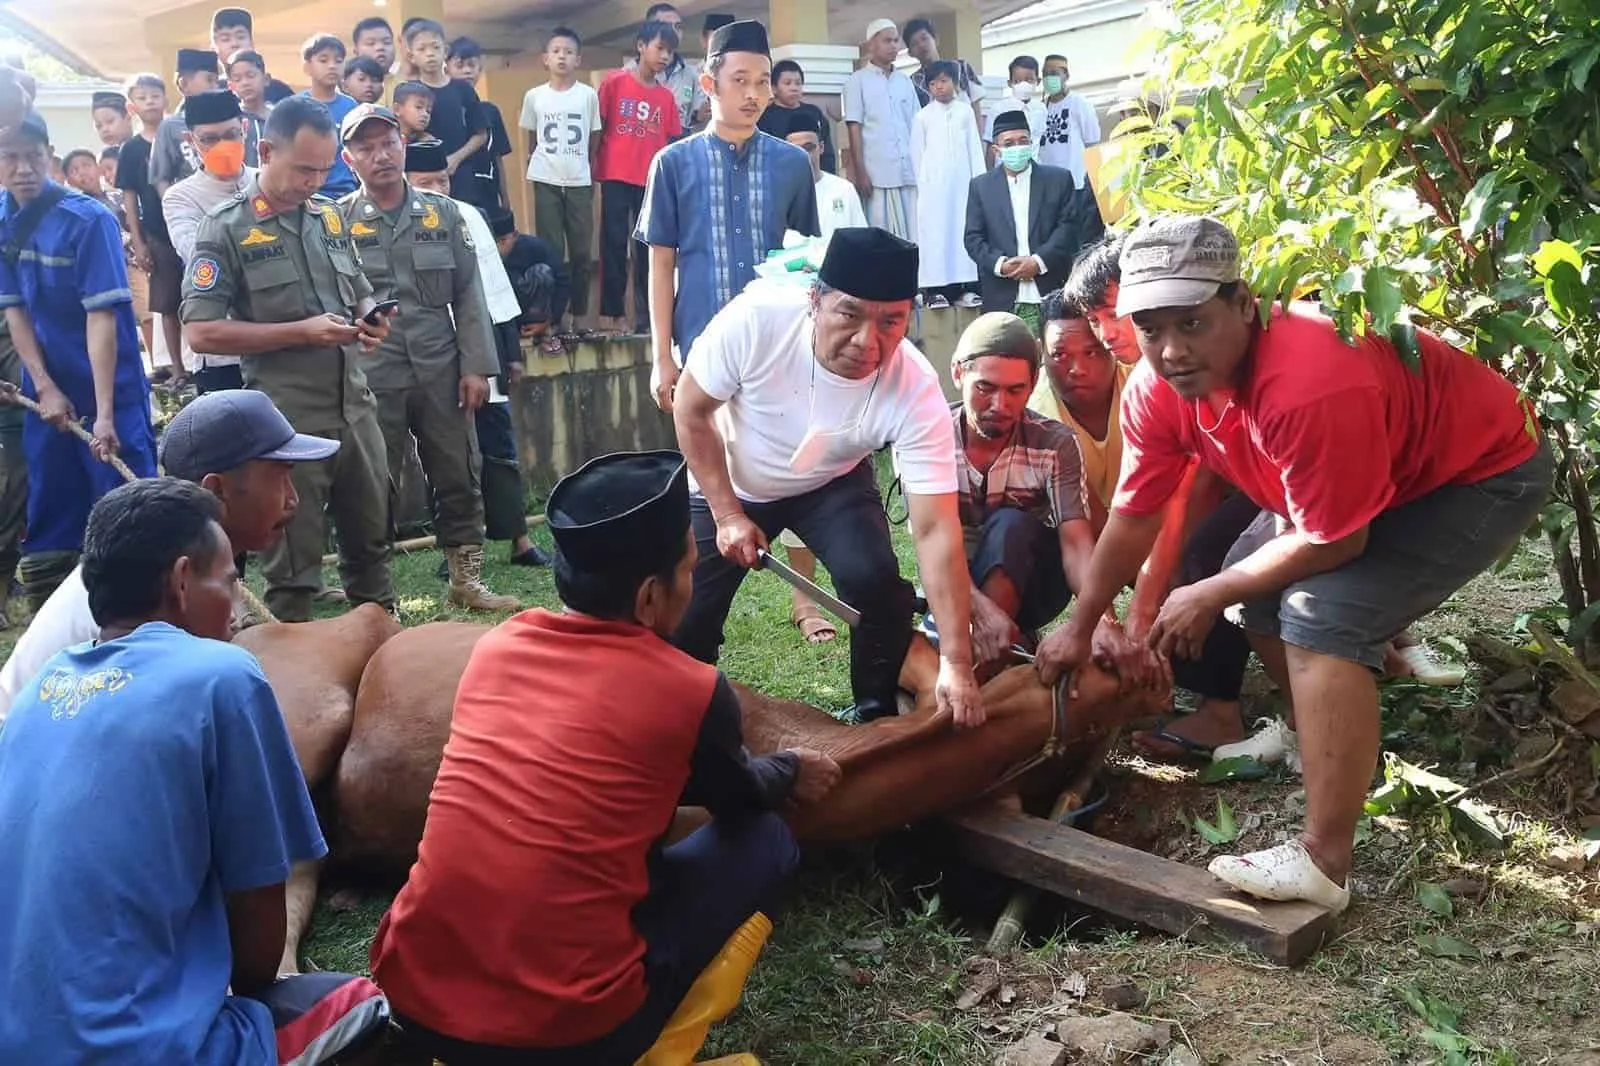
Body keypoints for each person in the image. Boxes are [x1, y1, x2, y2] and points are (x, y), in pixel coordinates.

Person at [1035, 215, 1553, 911]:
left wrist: (1206, 592)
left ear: (1243, 304)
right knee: (1263, 596)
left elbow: (1338, 542)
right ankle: (1327, 746)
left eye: (1192, 324)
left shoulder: (1309, 379)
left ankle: (1324, 862)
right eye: (1151, 329)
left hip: (1480, 471)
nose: (1171, 351)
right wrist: (1081, 621)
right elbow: (1135, 514)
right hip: (1371, 477)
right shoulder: (1157, 390)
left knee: (1321, 613)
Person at [369, 449, 839, 1063]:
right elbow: (741, 797)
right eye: (690, 570)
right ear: (650, 597)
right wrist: (793, 766)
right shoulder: (689, 689)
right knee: (767, 839)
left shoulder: (498, 646)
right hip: (568, 1037)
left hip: (411, 1002)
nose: (693, 585)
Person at [0, 478, 391, 1065]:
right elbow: (258, 952)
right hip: (148, 1051)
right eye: (231, 581)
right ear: (183, 582)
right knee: (363, 1006)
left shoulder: (38, 692)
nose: (237, 608)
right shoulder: (222, 676)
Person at [672, 227, 982, 725]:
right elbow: (690, 409)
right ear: (815, 300)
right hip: (734, 480)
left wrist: (957, 662)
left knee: (877, 582)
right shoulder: (756, 321)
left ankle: (875, 709)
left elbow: (934, 529)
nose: (867, 341)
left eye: (891, 322)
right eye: (850, 313)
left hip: (832, 480)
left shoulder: (916, 387)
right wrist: (727, 513)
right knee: (684, 608)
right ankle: (686, 712)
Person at [181, 96, 395, 622]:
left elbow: (359, 293)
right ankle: (289, 676)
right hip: (287, 425)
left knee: (373, 551)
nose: (314, 181)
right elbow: (201, 332)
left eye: (324, 169)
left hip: (356, 409)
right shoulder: (225, 227)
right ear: (266, 150)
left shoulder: (327, 217)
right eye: (304, 169)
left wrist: (372, 321)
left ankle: (382, 658)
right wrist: (299, 332)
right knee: (294, 571)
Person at [338, 105, 516, 612]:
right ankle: (377, 596)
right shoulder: (336, 222)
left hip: (442, 367)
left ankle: (466, 580)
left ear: (402, 145)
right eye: (366, 148)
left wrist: (477, 366)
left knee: (459, 470)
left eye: (388, 143)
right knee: (374, 483)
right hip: (374, 374)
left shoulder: (445, 213)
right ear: (349, 159)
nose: (380, 155)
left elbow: (469, 294)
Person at [0, 111, 159, 610]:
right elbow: (15, 309)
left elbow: (103, 319)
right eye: (9, 157)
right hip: (49, 389)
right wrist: (43, 385)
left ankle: (142, 615)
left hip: (110, 386)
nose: (22, 168)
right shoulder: (2, 220)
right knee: (52, 506)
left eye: (32, 156)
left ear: (50, 156)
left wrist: (106, 413)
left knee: (127, 505)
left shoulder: (87, 219)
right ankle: (54, 620)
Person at [637, 18, 818, 411]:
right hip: (701, 347)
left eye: (763, 81)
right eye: (740, 80)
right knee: (705, 467)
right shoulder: (672, 163)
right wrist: (661, 357)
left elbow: (805, 259)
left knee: (772, 468)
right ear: (709, 85)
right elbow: (661, 265)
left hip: (776, 347)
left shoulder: (792, 164)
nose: (753, 94)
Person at [947, 312, 1109, 668]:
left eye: (1015, 390)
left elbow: (1077, 541)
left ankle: (988, 662)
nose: (999, 406)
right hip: (953, 580)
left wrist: (1100, 621)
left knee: (1010, 525)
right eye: (985, 388)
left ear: (1034, 382)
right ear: (958, 373)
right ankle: (996, 641)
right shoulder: (929, 439)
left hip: (1036, 582)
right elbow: (933, 544)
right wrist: (978, 608)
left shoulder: (1055, 442)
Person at [963, 111, 1091, 331]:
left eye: (1023, 141)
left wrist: (1038, 262)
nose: (1017, 148)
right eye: (1009, 143)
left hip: (1052, 292)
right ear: (997, 150)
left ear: (1031, 143)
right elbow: (973, 238)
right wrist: (1000, 265)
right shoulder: (981, 187)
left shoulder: (1058, 179)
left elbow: (1069, 229)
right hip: (1003, 298)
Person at [162, 90, 253, 395]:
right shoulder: (180, 197)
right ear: (191, 140)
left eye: (231, 134)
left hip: (280, 349)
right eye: (209, 139)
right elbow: (197, 255)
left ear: (246, 128)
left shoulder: (268, 181)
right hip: (221, 354)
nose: (223, 146)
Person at [596, 19, 682, 336]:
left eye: (670, 52)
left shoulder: (666, 98)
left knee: (648, 251)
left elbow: (672, 143)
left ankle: (648, 318)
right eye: (660, 48)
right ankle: (612, 316)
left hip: (652, 183)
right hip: (616, 175)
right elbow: (598, 128)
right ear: (641, 46)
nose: (664, 57)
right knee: (613, 246)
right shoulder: (613, 82)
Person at [520, 26, 599, 336]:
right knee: (551, 251)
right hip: (546, 178)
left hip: (579, 179)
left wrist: (587, 170)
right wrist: (536, 164)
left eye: (568, 51)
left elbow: (595, 137)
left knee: (581, 252)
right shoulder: (534, 96)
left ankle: (580, 315)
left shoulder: (587, 95)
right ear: (545, 58)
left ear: (578, 59)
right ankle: (554, 317)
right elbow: (530, 138)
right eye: (556, 51)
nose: (562, 56)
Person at [117, 73, 188, 375]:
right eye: (142, 97)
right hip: (158, 233)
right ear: (132, 106)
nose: (149, 102)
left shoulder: (182, 136)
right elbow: (130, 198)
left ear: (166, 100)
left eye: (154, 95)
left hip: (188, 222)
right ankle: (177, 368)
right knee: (168, 302)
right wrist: (139, 240)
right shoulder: (131, 149)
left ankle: (203, 360)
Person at [910, 60, 983, 307]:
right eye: (933, 83)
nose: (939, 87)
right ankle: (936, 291)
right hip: (934, 190)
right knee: (936, 236)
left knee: (962, 233)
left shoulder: (965, 112)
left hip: (963, 187)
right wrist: (926, 188)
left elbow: (975, 149)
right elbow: (917, 156)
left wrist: (979, 185)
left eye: (944, 81)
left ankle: (966, 289)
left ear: (954, 82)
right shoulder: (922, 117)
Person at [843, 19, 919, 242]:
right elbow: (854, 128)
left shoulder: (905, 82)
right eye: (887, 40)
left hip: (909, 172)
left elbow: (917, 126)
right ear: (870, 46)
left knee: (914, 236)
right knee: (882, 237)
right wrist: (860, 172)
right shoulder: (856, 82)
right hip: (876, 176)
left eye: (896, 41)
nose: (894, 46)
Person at [403, 19, 487, 205]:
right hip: (424, 177)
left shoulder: (463, 89)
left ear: (445, 51)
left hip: (463, 174)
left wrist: (455, 159)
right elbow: (404, 131)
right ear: (411, 56)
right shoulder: (409, 91)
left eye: (435, 47)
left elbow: (481, 134)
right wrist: (422, 136)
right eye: (422, 49)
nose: (430, 54)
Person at [446, 36, 512, 211]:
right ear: (447, 69)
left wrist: (505, 197)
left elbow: (497, 157)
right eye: (460, 66)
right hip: (454, 190)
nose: (467, 71)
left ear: (480, 69)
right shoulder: (441, 108)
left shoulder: (490, 111)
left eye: (472, 65)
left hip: (487, 191)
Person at [782, 109, 864, 244]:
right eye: (796, 150)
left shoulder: (843, 190)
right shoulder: (778, 196)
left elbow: (861, 242)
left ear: (821, 148)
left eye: (809, 148)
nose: (804, 156)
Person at [150, 48, 219, 193]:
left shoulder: (224, 121)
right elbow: (161, 179)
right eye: (209, 80)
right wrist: (177, 210)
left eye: (216, 81)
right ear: (184, 84)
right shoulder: (170, 126)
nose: (215, 87)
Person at [299, 34, 359, 198]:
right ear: (307, 67)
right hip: (309, 195)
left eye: (338, 61)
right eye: (323, 60)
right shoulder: (296, 107)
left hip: (347, 193)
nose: (332, 66)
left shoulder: (351, 106)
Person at [629, 2, 702, 135]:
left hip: (677, 145)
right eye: (666, 26)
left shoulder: (691, 74)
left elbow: (692, 119)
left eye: (678, 26)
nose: (673, 31)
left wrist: (698, 116)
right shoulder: (628, 74)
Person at [757, 59, 834, 174]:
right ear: (774, 88)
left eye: (798, 83)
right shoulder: (765, 117)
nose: (794, 88)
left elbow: (827, 152)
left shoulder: (814, 113)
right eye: (787, 83)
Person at [902, 16, 984, 124]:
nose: (921, 45)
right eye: (914, 43)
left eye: (924, 38)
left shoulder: (961, 68)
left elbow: (976, 104)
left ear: (936, 39)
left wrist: (978, 139)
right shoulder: (912, 84)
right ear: (910, 53)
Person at [1037, 53, 1101, 189]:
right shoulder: (1039, 108)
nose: (1048, 78)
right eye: (1045, 74)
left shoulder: (1079, 103)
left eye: (1054, 73)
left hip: (1075, 184)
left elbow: (1093, 144)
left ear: (1066, 75)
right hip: (1047, 186)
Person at [211, 7, 295, 104]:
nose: (234, 44)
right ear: (214, 48)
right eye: (226, 39)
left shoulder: (277, 90)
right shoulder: (212, 92)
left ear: (252, 43)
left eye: (240, 37)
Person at [223, 50, 272, 166]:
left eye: (250, 76)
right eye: (237, 79)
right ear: (231, 87)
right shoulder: (230, 121)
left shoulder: (280, 117)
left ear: (266, 79)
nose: (245, 83)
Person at [985, 56, 1045, 146]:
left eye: (1029, 80)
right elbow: (991, 143)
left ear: (1038, 81)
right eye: (1018, 81)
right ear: (1010, 83)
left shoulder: (1041, 108)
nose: (1023, 84)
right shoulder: (998, 109)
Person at [352, 15, 397, 104]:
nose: (380, 47)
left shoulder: (405, 86)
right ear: (356, 52)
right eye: (371, 43)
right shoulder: (347, 89)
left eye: (386, 42)